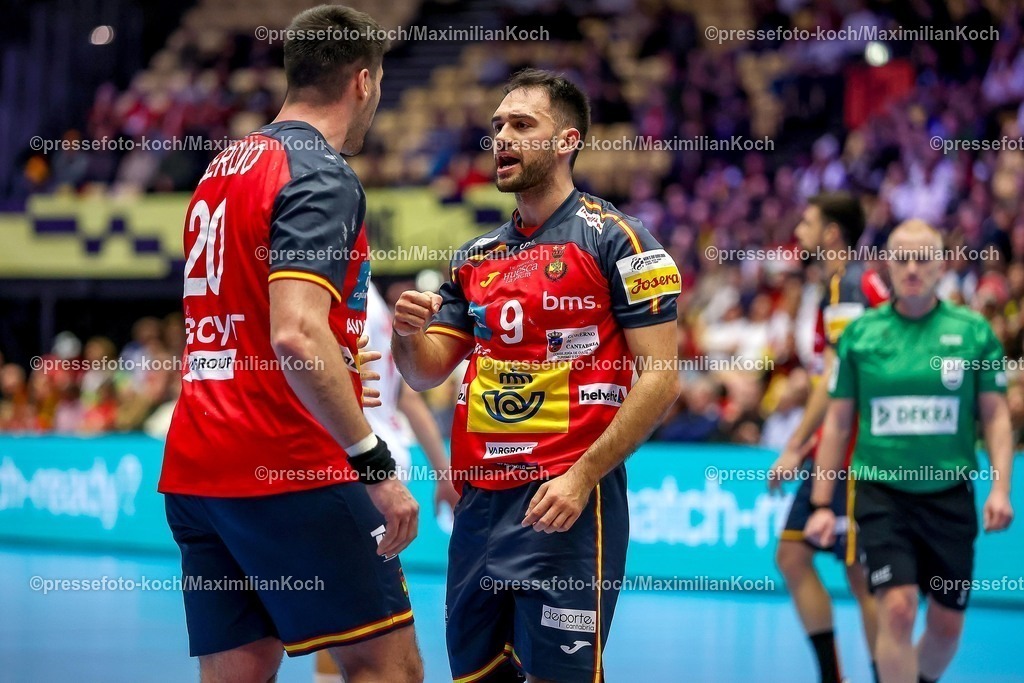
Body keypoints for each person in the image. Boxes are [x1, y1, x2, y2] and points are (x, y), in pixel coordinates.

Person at [158, 6, 423, 683]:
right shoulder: (319, 172)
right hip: (288, 459)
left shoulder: (223, 166)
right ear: (363, 82)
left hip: (198, 468)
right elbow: (297, 334)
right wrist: (376, 466)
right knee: (386, 667)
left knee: (237, 675)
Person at [392, 68, 682, 683]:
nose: (502, 137)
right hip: (479, 509)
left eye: (523, 125)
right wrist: (406, 335)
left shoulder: (621, 240)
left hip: (564, 505)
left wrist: (581, 478)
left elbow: (660, 377)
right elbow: (422, 375)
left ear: (567, 141)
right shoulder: (474, 258)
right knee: (476, 676)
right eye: (497, 126)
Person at [806, 219, 1015, 683]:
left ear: (941, 265)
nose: (913, 268)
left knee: (946, 626)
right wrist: (822, 504)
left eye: (924, 258)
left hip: (949, 496)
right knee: (897, 609)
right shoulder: (862, 336)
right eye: (902, 258)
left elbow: (997, 416)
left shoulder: (973, 333)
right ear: (888, 266)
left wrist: (1001, 489)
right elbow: (839, 422)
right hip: (881, 496)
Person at [768, 192, 887, 683]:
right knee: (793, 555)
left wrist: (795, 444)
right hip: (837, 447)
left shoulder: (846, 285)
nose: (798, 230)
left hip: (857, 449)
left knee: (864, 579)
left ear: (832, 234)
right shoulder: (847, 283)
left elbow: (838, 381)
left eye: (808, 222)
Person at [314, 281, 459, 683]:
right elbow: (405, 397)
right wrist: (442, 471)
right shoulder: (368, 298)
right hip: (374, 460)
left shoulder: (347, 293)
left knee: (356, 618)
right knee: (356, 612)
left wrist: (443, 472)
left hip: (362, 464)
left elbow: (400, 394)